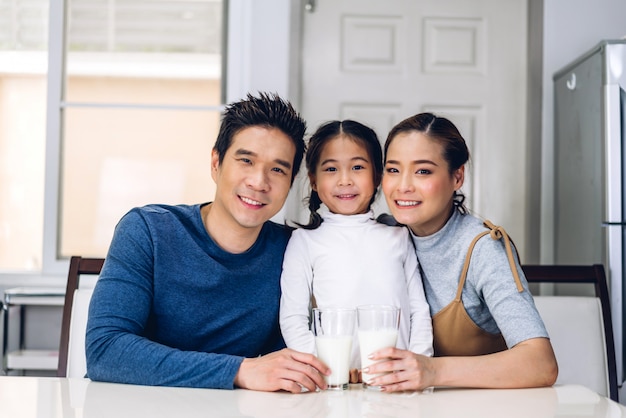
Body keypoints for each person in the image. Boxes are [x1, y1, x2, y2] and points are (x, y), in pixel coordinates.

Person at [85, 92, 330, 393]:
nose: (259, 182)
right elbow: (105, 350)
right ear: (216, 163)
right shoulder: (148, 231)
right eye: (246, 160)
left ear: (291, 182)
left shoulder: (293, 251)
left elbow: (288, 362)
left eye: (278, 169)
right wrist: (238, 370)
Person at [366, 112, 558, 392]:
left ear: (457, 176)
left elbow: (541, 363)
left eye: (423, 171)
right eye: (393, 170)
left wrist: (432, 370)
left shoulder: (482, 248)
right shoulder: (383, 234)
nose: (403, 186)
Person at [279, 120, 433, 379]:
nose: (345, 180)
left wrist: (419, 363)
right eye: (331, 169)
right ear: (314, 181)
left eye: (358, 167)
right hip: (334, 384)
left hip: (397, 380)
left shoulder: (398, 236)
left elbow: (419, 310)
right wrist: (326, 371)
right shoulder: (304, 241)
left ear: (377, 177)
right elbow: (293, 319)